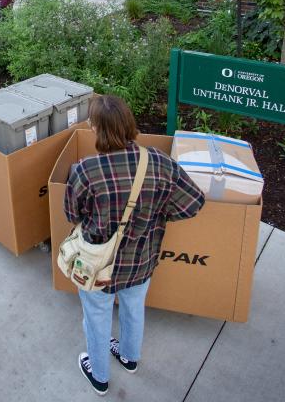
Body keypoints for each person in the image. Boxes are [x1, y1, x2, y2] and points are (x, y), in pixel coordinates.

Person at [64, 95, 204, 396]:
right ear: (129, 124)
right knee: (133, 309)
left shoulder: (84, 171)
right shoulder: (160, 162)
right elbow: (194, 203)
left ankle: (99, 376)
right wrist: (157, 214)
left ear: (96, 129)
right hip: (142, 260)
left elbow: (71, 215)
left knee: (97, 317)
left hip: (97, 266)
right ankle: (129, 358)